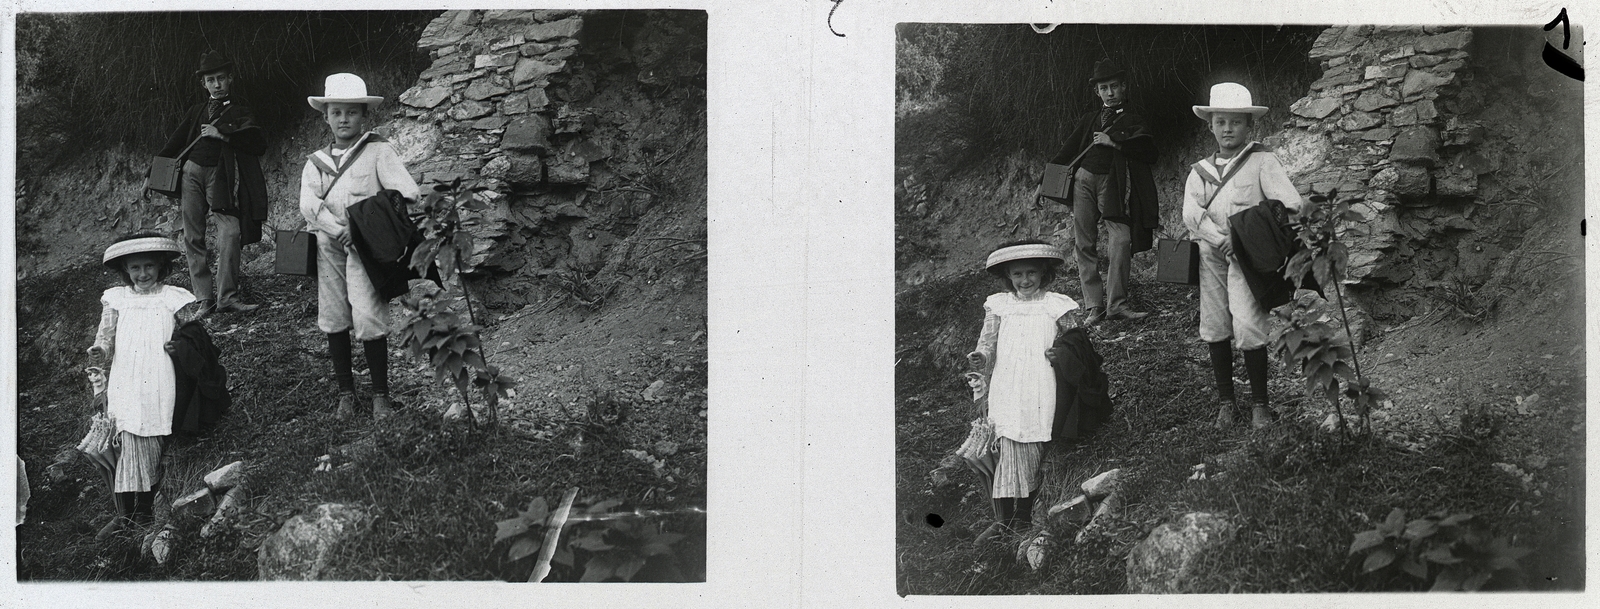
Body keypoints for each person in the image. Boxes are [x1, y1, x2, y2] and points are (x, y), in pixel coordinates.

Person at [1181, 82, 1305, 430]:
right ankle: (1226, 403)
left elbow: (1289, 206)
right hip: (1211, 255)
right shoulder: (1199, 171)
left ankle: (1260, 406)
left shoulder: (1263, 161)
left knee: (1249, 324)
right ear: (1210, 125)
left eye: (1235, 122)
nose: (1227, 129)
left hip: (1248, 258)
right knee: (1215, 323)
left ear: (1249, 125)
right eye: (1220, 122)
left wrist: (1243, 237)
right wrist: (1219, 239)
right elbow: (1191, 214)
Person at [299, 73, 420, 421]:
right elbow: (309, 205)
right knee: (334, 315)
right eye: (336, 112)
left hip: (366, 249)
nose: (344, 120)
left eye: (352, 112)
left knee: (368, 314)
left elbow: (406, 193)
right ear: (325, 116)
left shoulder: (378, 150)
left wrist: (362, 226)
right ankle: (345, 394)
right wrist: (339, 230)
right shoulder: (315, 162)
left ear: (364, 115)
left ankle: (381, 395)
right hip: (329, 246)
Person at [85, 234, 201, 540]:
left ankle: (145, 511)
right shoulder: (117, 299)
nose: (143, 273)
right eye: (135, 267)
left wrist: (180, 345)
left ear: (161, 265)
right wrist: (99, 353)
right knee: (122, 443)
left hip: (159, 379)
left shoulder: (173, 297)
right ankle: (123, 514)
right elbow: (104, 337)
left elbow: (196, 333)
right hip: (125, 379)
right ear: (126, 269)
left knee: (150, 442)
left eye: (149, 265)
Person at [966, 240, 1080, 545]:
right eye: (1018, 274)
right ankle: (1001, 520)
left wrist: (1062, 354)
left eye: (1031, 272)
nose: (1025, 280)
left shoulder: (1056, 305)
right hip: (1006, 385)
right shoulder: (999, 305)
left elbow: (1078, 342)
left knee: (1029, 446)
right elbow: (986, 345)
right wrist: (980, 364)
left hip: (1040, 385)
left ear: (1043, 272)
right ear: (1008, 276)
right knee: (1003, 447)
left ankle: (1024, 517)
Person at [154, 51, 269, 316]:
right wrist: (152, 173)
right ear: (203, 84)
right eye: (211, 80)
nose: (216, 84)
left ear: (230, 79)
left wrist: (223, 135)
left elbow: (258, 144)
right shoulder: (196, 111)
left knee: (231, 232)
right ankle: (204, 299)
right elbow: (176, 141)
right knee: (193, 235)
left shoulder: (241, 111)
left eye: (221, 78)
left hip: (220, 176)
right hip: (191, 173)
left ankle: (227, 296)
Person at [1047, 59, 1160, 325]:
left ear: (1124, 87)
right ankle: (1094, 306)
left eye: (1114, 87)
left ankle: (1117, 305)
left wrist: (1115, 143)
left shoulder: (1134, 119)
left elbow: (1150, 153)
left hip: (1114, 183)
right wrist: (1044, 183)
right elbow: (1068, 151)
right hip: (1083, 181)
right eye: (1104, 88)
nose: (1110, 92)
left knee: (1121, 239)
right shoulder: (1090, 119)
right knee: (1084, 242)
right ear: (1097, 92)